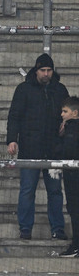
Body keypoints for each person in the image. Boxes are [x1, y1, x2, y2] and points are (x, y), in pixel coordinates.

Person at [7, 53, 69, 240]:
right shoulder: (24, 89)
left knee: (55, 191)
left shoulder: (60, 90)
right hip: (29, 150)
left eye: (49, 70)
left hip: (54, 151)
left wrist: (67, 125)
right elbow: (14, 116)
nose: (46, 74)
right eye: (43, 70)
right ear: (36, 71)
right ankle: (25, 228)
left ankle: (58, 229)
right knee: (27, 190)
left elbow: (69, 114)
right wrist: (12, 139)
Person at [58, 96, 79, 257]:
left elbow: (69, 151)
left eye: (65, 111)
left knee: (74, 209)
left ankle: (76, 245)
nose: (62, 114)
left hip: (74, 175)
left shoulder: (72, 128)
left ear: (75, 113)